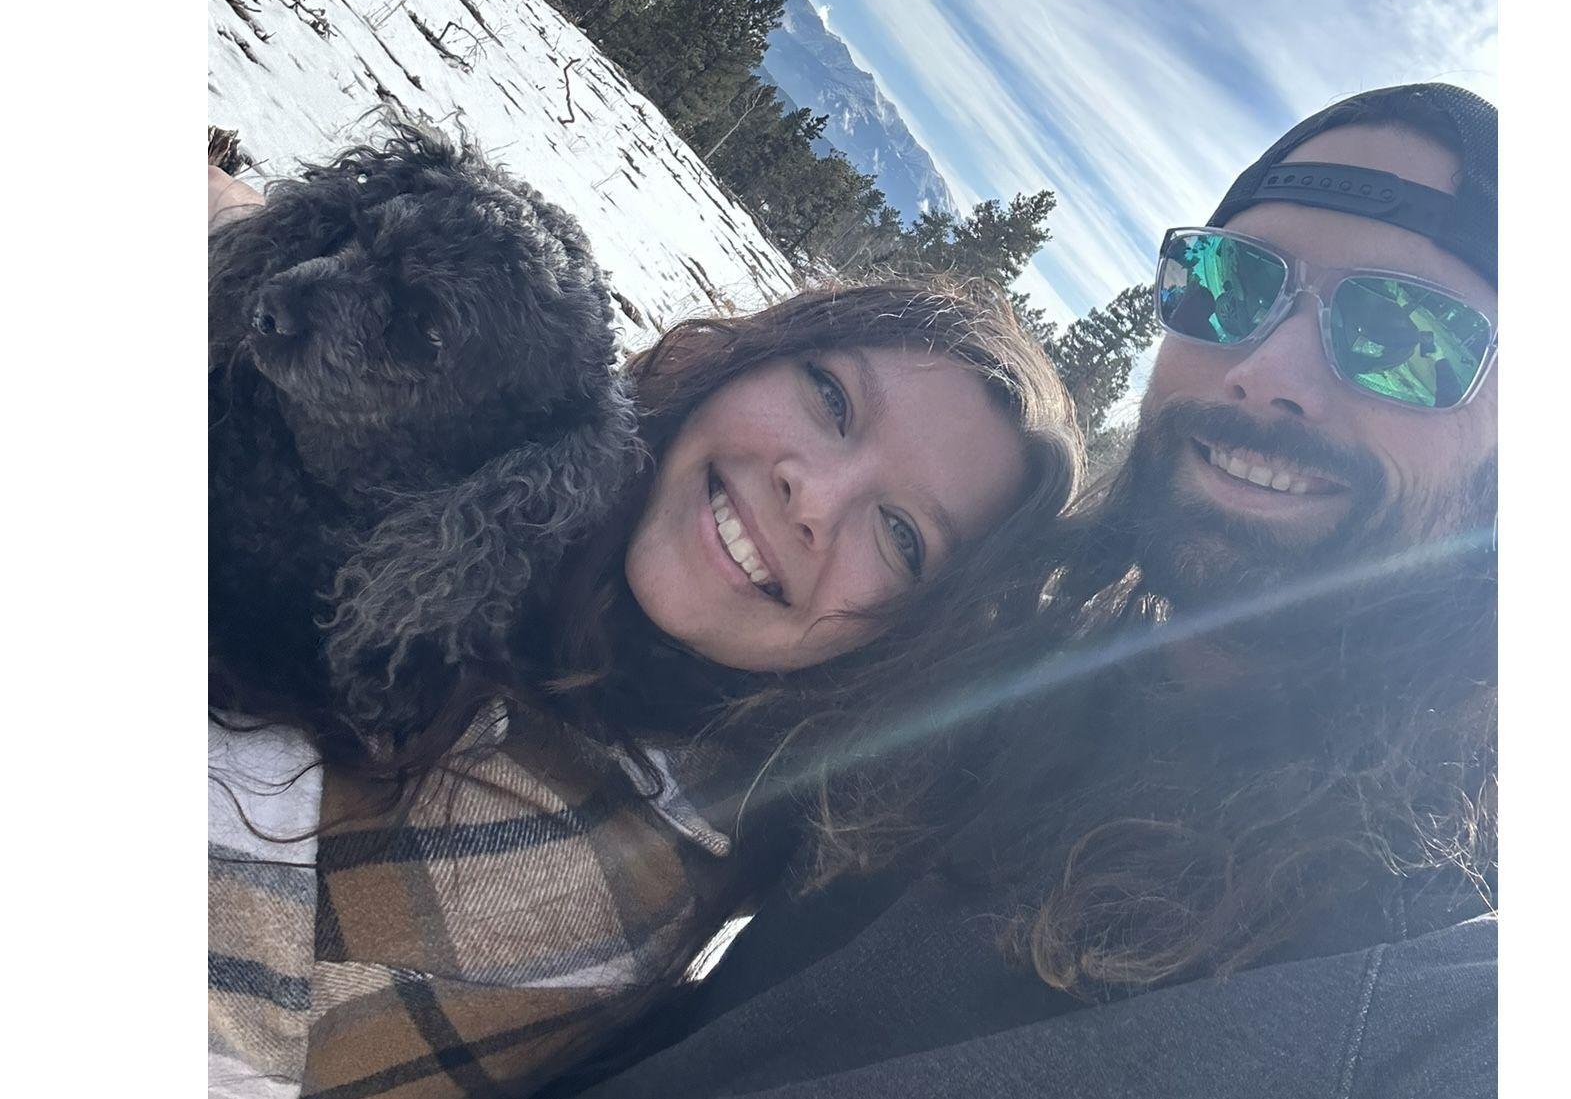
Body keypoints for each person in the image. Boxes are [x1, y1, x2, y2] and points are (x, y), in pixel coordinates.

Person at [564, 80, 1498, 1099]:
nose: (1264, 369)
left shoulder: (1440, 971)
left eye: (1406, 334)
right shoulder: (978, 664)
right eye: (1226, 283)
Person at [207, 166, 1085, 1099]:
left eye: (901, 534)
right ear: (745, 360)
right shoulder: (510, 463)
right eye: (831, 398)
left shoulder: (595, 864)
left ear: (904, 643)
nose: (814, 494)